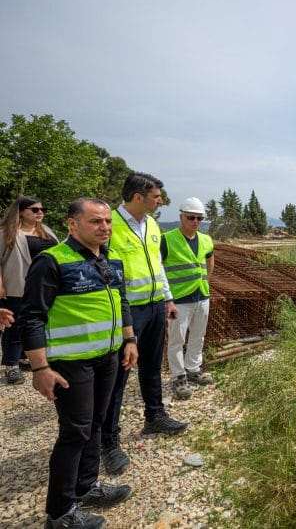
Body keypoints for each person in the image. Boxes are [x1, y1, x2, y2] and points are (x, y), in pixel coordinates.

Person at [20, 198, 138, 529]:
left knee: (96, 424)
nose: (105, 227)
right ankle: (60, 513)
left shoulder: (110, 260)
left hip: (108, 357)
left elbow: (122, 302)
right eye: (95, 221)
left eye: (108, 221)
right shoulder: (52, 261)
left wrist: (130, 340)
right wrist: (40, 368)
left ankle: (87, 487)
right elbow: (32, 317)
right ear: (72, 224)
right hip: (72, 363)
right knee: (74, 433)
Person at [100, 172, 187, 477]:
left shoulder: (151, 225)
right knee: (118, 376)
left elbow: (158, 265)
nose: (160, 201)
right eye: (156, 197)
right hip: (127, 311)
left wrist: (168, 298)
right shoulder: (109, 225)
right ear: (138, 197)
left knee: (151, 366)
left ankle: (155, 416)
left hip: (154, 307)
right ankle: (108, 442)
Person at [0, 196, 59, 384]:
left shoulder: (47, 231)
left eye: (42, 209)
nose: (40, 212)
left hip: (46, 287)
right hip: (18, 286)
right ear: (21, 212)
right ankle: (11, 366)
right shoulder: (6, 233)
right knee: (15, 326)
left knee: (37, 324)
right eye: (34, 209)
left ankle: (25, 358)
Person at [161, 197, 215, 400]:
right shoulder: (167, 239)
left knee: (198, 335)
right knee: (176, 339)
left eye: (199, 218)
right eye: (191, 217)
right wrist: (167, 298)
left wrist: (205, 282)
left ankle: (193, 368)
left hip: (202, 295)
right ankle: (178, 376)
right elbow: (158, 269)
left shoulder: (206, 240)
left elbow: (210, 262)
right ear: (181, 216)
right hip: (178, 299)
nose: (195, 221)